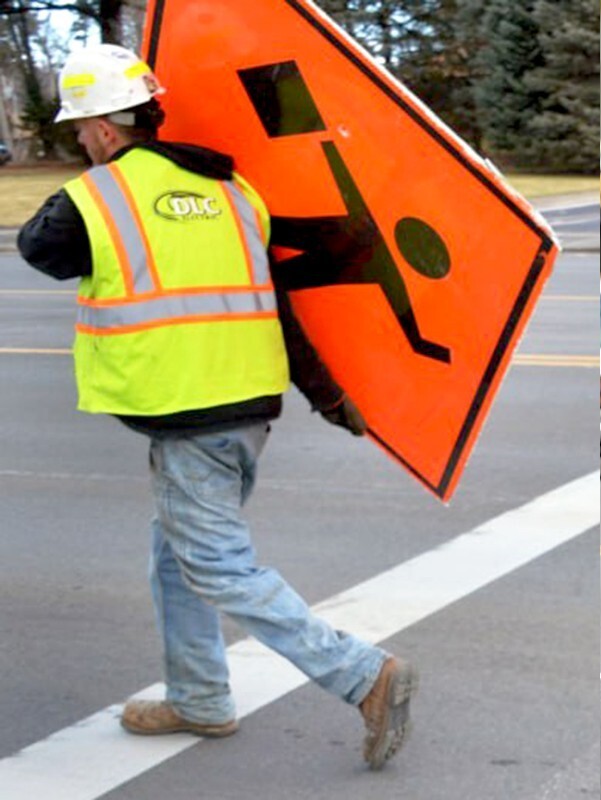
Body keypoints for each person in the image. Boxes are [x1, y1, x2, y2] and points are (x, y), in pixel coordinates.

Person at [17, 44, 415, 769]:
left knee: (218, 565)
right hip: (247, 410)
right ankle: (200, 697)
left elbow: (37, 249)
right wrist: (325, 396)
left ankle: (363, 673)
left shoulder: (98, 195)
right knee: (178, 559)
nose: (79, 141)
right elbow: (280, 307)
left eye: (81, 130)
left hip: (188, 411)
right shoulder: (236, 193)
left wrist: (101, 175)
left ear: (106, 128)